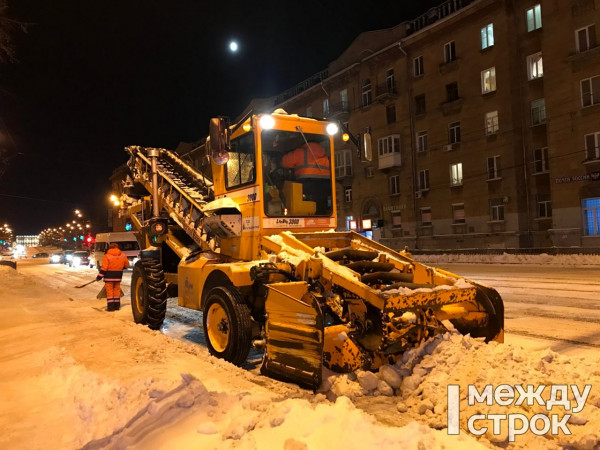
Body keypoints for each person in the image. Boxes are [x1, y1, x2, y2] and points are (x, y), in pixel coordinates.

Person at [282, 142, 331, 213]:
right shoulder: (324, 153)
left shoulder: (301, 152)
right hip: (325, 182)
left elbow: (284, 162)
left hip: (307, 181)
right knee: (321, 201)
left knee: (301, 197)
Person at [96, 242, 130, 311]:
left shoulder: (107, 256)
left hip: (109, 276)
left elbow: (104, 268)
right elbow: (126, 265)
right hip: (118, 276)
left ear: (110, 248)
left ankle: (111, 307)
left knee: (110, 291)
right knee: (117, 290)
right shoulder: (123, 255)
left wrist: (99, 277)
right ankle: (117, 306)